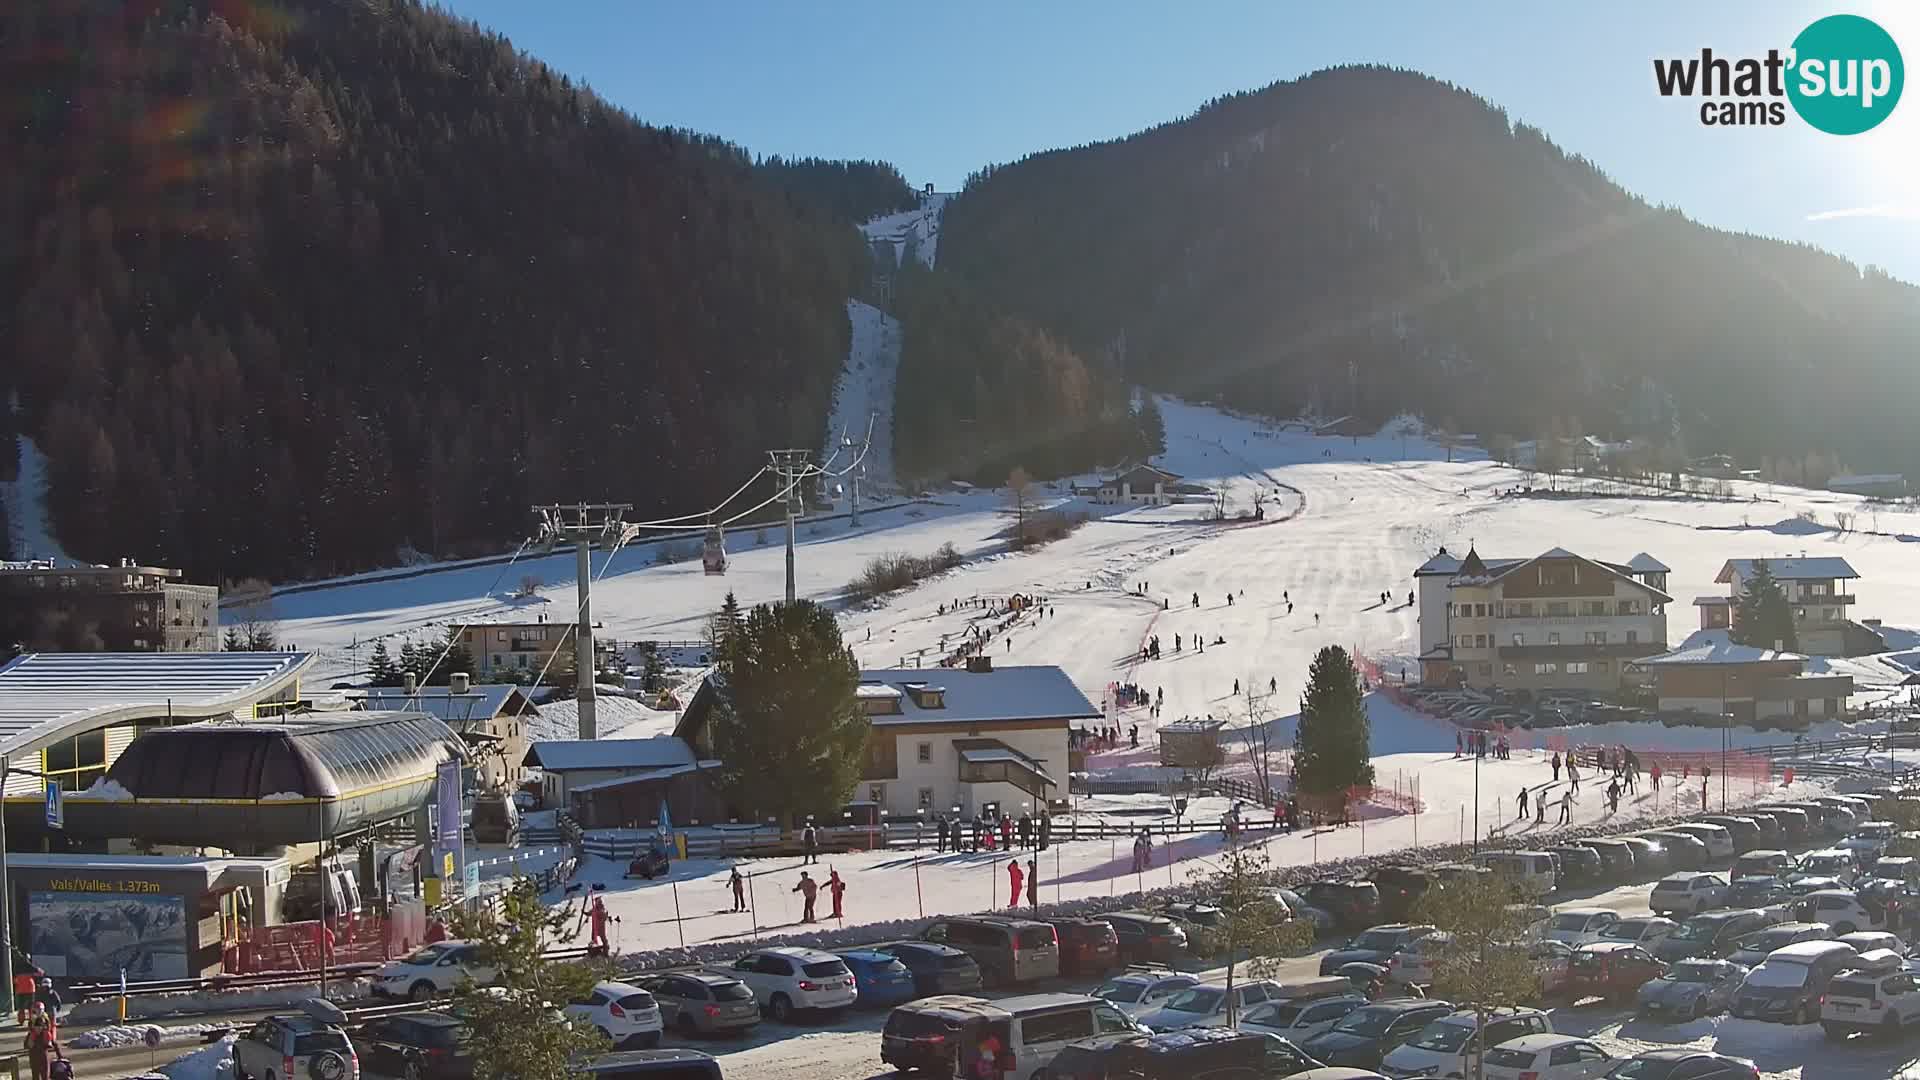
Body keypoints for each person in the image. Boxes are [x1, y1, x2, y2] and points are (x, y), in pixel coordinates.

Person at [23, 1002, 55, 1080]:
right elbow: (27, 1045)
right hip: (35, 1055)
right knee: (36, 1075)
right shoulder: (32, 1033)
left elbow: (51, 1042)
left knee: (44, 1075)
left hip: (42, 1055)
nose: (39, 1028)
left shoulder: (45, 1033)